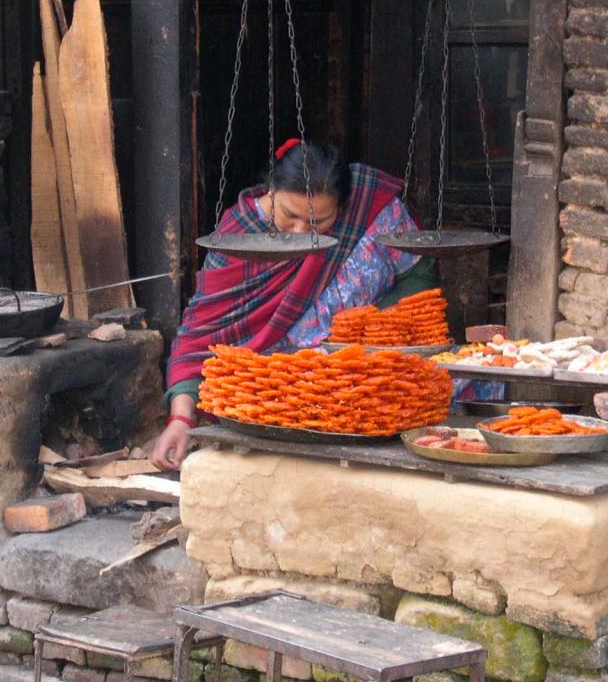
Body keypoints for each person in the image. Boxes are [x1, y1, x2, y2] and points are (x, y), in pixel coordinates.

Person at [151, 139, 437, 469]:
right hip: (281, 392)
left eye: (318, 221)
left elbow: (420, 278)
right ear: (271, 190)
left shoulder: (370, 209)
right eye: (289, 215)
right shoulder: (237, 236)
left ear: (342, 208)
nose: (301, 232)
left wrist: (370, 325)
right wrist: (181, 420)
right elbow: (199, 339)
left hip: (368, 375)